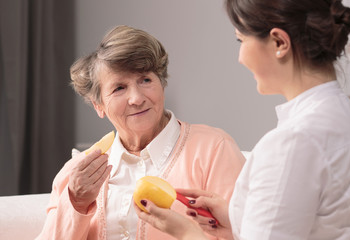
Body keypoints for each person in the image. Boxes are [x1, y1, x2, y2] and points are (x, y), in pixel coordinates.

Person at [135, 0, 350, 239]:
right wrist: (239, 221)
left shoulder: (291, 144)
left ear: (279, 42)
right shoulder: (347, 115)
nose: (240, 58)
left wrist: (188, 233)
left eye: (241, 40)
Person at [35, 25, 246, 240]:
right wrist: (77, 202)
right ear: (98, 105)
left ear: (161, 83)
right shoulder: (76, 174)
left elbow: (249, 232)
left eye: (145, 80)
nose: (136, 98)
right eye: (119, 88)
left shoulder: (214, 149)